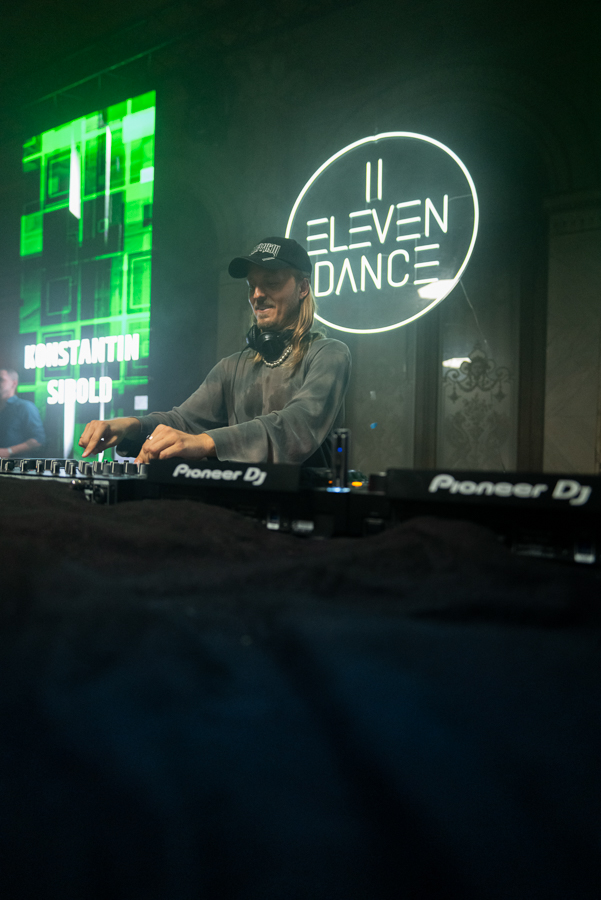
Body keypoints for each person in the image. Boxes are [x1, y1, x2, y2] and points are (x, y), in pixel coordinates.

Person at [79, 237, 351, 467]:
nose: (257, 294)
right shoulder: (231, 367)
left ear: (303, 288)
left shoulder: (328, 355)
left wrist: (206, 442)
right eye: (252, 286)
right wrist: (129, 425)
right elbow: (182, 421)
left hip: (304, 506)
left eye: (271, 283)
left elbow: (297, 426)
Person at [0, 367, 45, 459]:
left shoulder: (25, 407)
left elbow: (39, 439)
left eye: (1, 380)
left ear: (14, 383)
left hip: (15, 465)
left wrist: (9, 451)